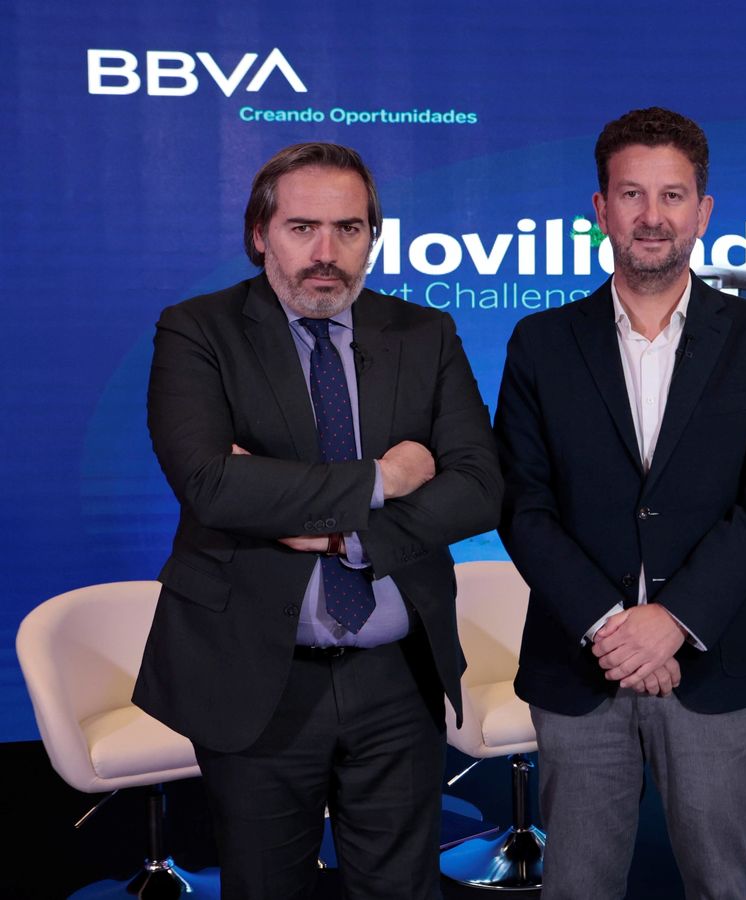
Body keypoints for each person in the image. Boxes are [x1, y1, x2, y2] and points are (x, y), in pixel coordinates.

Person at [136, 142, 502, 899]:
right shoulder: (197, 331)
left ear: (374, 235)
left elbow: (478, 485)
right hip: (255, 675)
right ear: (260, 232)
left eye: (349, 229)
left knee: (401, 889)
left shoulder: (424, 336)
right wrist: (384, 477)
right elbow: (212, 485)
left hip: (398, 677)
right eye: (302, 228)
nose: (326, 254)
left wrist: (346, 534)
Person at [494, 107, 746, 900]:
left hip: (711, 660)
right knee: (578, 887)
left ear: (703, 211)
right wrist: (609, 624)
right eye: (632, 195)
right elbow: (524, 505)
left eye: (672, 196)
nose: (652, 216)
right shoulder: (541, 342)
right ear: (601, 208)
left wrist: (672, 620)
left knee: (726, 885)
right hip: (579, 662)